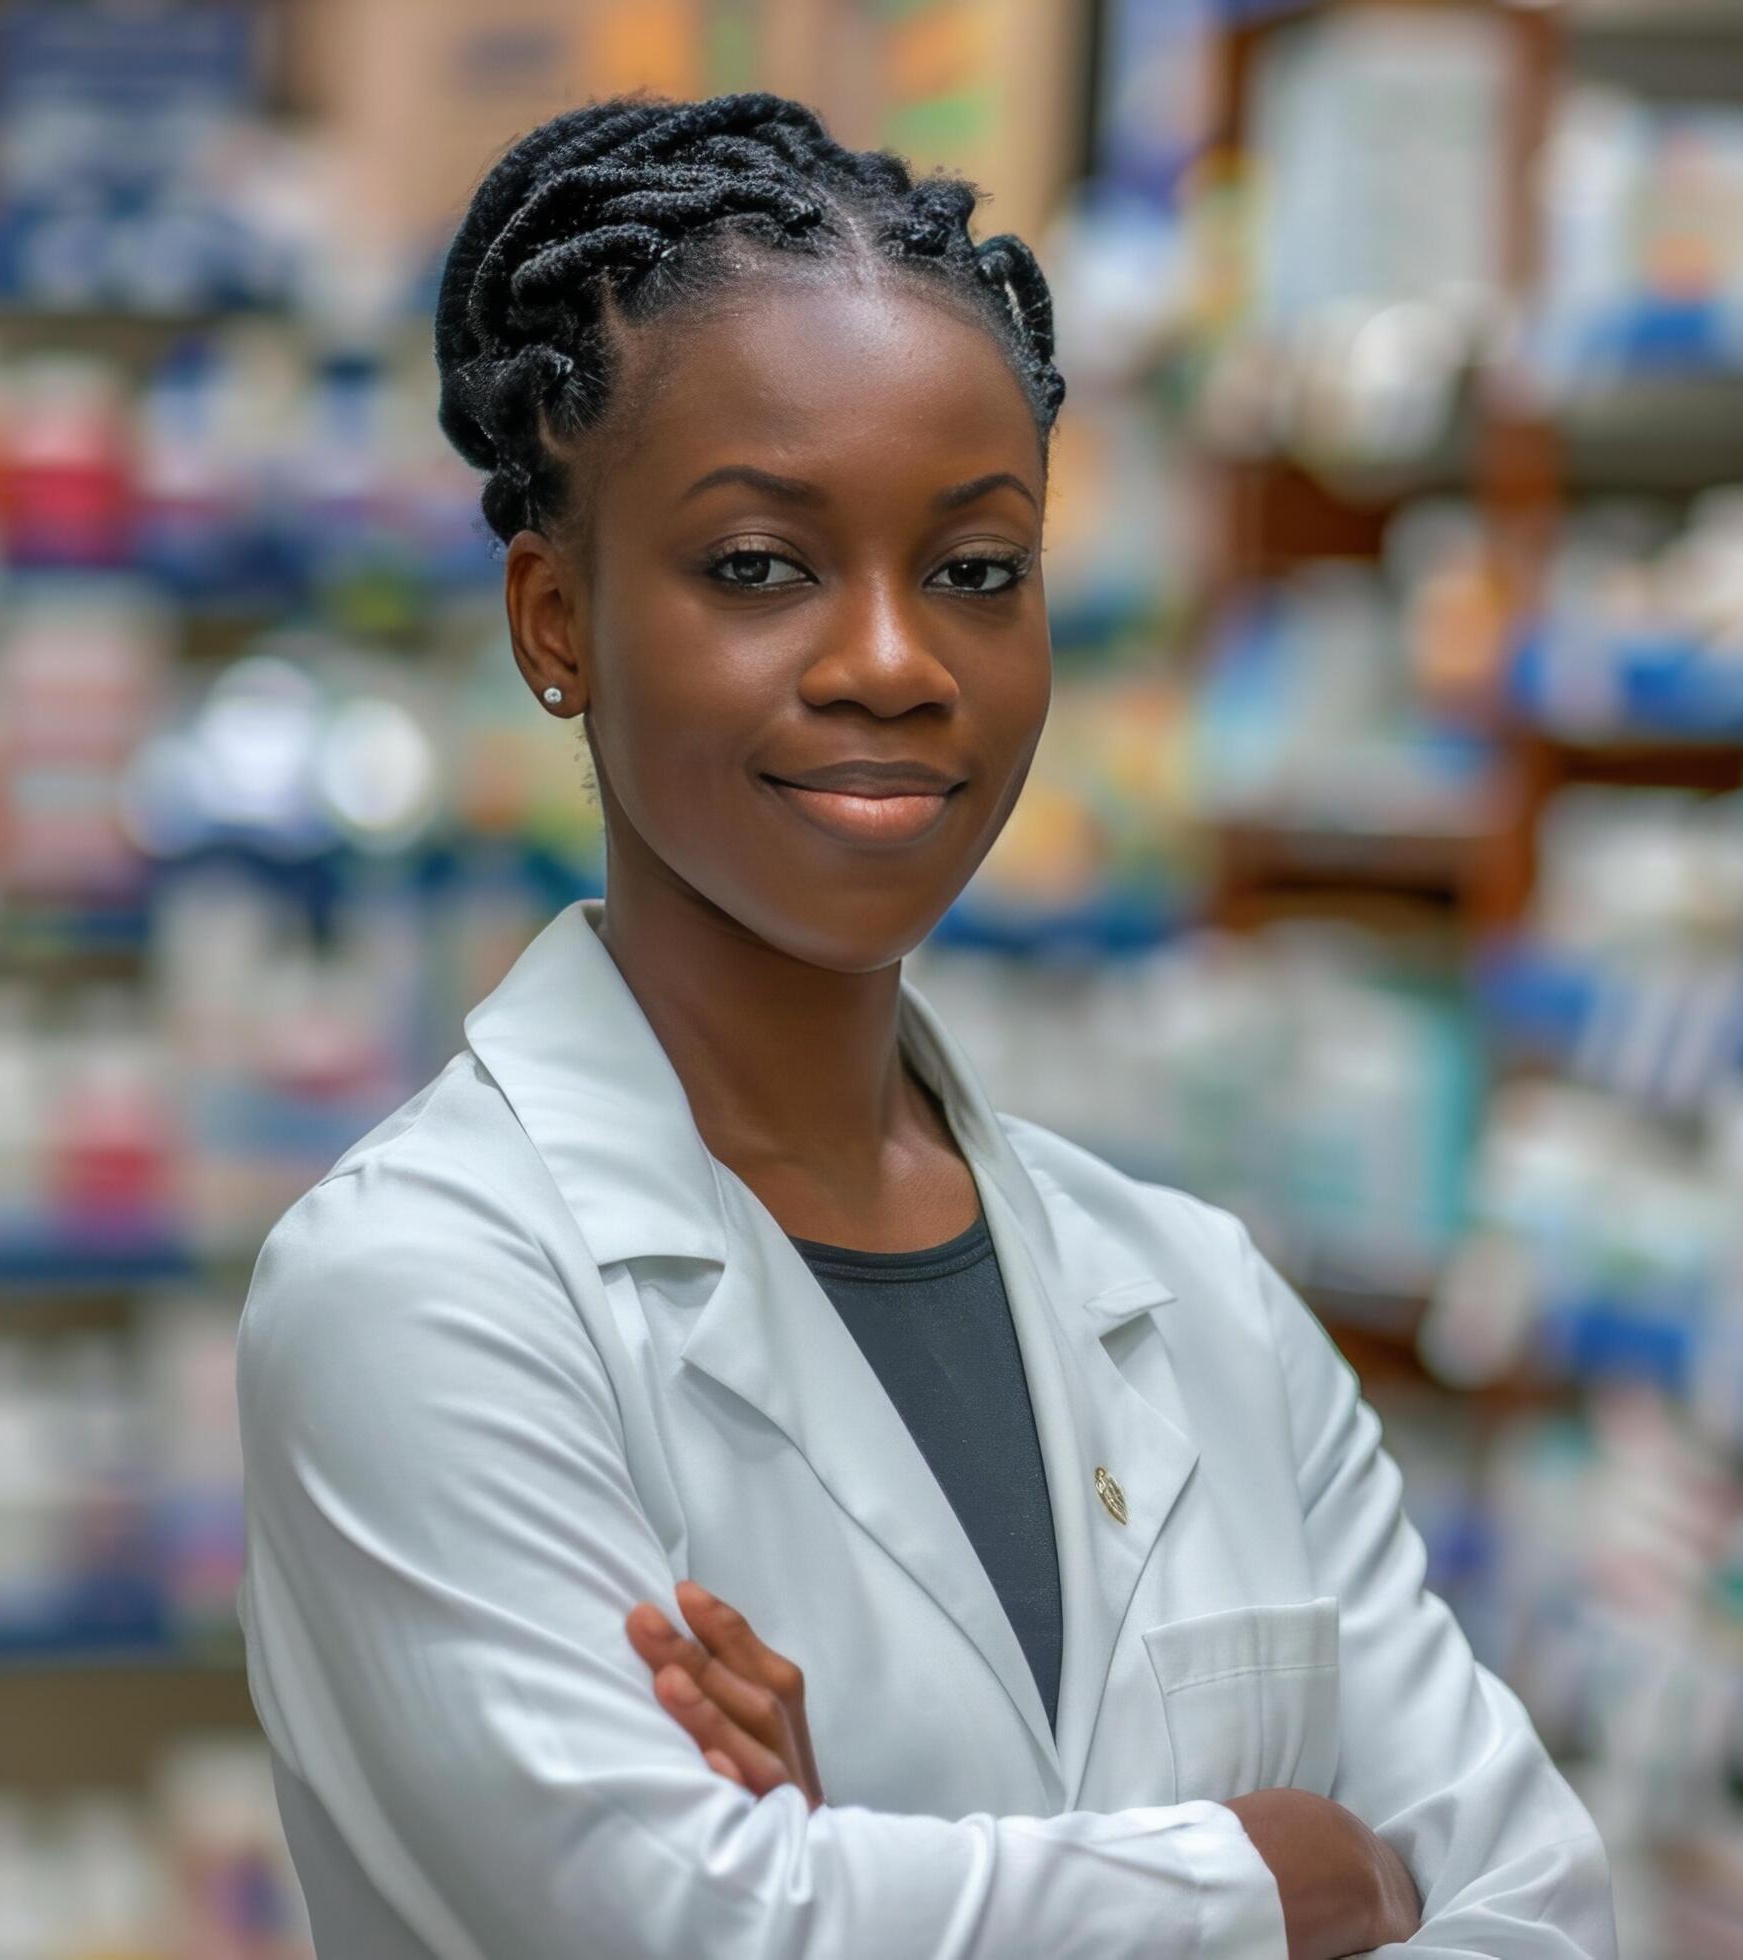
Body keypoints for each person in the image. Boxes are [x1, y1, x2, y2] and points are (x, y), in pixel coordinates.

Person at [236, 92, 1613, 1960]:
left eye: (975, 572)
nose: (892, 662)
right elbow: (689, 1929)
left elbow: (1539, 1910)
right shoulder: (424, 1292)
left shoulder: (1198, 1300)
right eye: (757, 566)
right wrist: (1269, 1879)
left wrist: (880, 1871)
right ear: (554, 619)